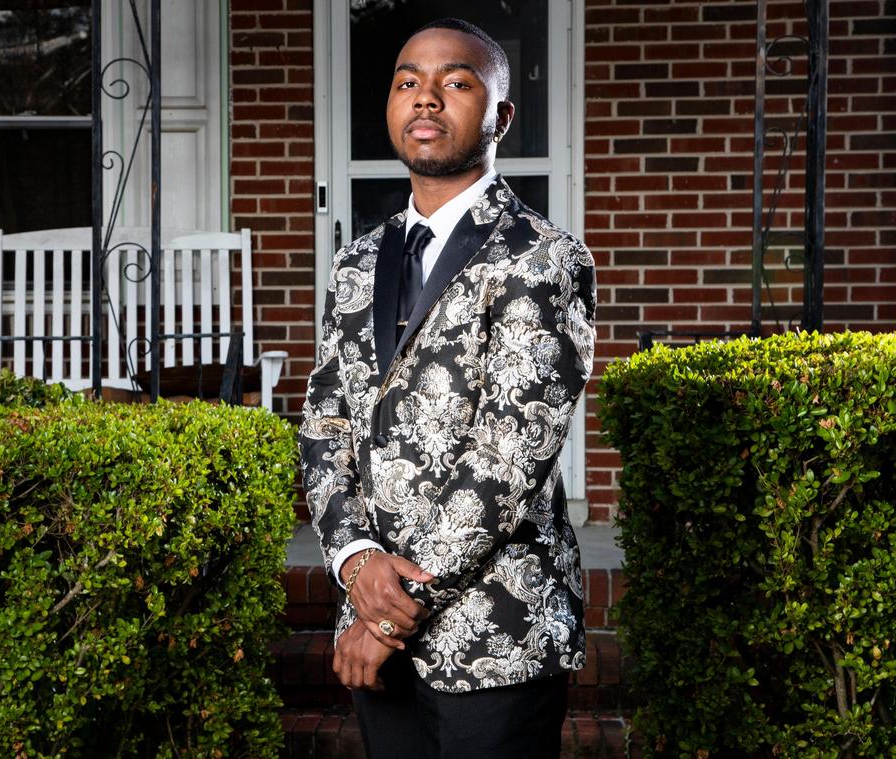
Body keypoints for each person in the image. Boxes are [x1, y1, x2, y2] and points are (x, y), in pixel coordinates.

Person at [299, 17, 596, 759]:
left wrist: (389, 616)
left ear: (500, 116)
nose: (425, 98)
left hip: (495, 635)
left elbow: (508, 454)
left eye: (455, 82)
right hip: (375, 625)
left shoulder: (543, 257)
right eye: (408, 82)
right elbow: (325, 424)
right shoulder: (356, 263)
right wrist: (354, 560)